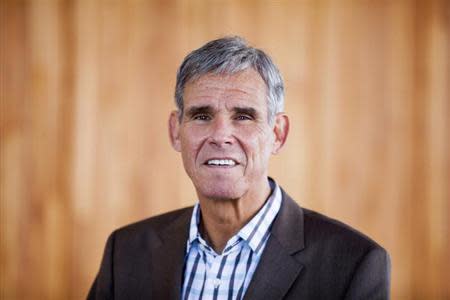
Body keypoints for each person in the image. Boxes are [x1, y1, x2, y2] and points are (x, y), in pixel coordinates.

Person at [88, 36, 391, 300]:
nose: (220, 135)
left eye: (244, 116)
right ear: (175, 131)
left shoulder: (354, 264)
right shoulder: (125, 253)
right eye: (202, 115)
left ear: (277, 134)